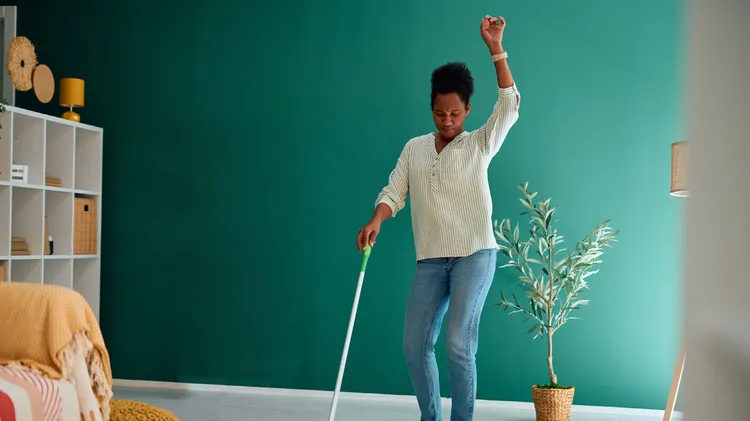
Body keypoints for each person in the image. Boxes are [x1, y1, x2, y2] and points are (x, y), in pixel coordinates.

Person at [355, 14, 520, 421]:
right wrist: (377, 219)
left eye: (455, 114)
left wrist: (496, 49)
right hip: (430, 259)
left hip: (474, 255)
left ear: (467, 109)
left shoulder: (480, 143)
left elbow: (509, 105)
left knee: (459, 345)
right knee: (414, 347)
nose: (447, 121)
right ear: (431, 108)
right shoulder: (414, 148)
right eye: (439, 113)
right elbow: (394, 191)